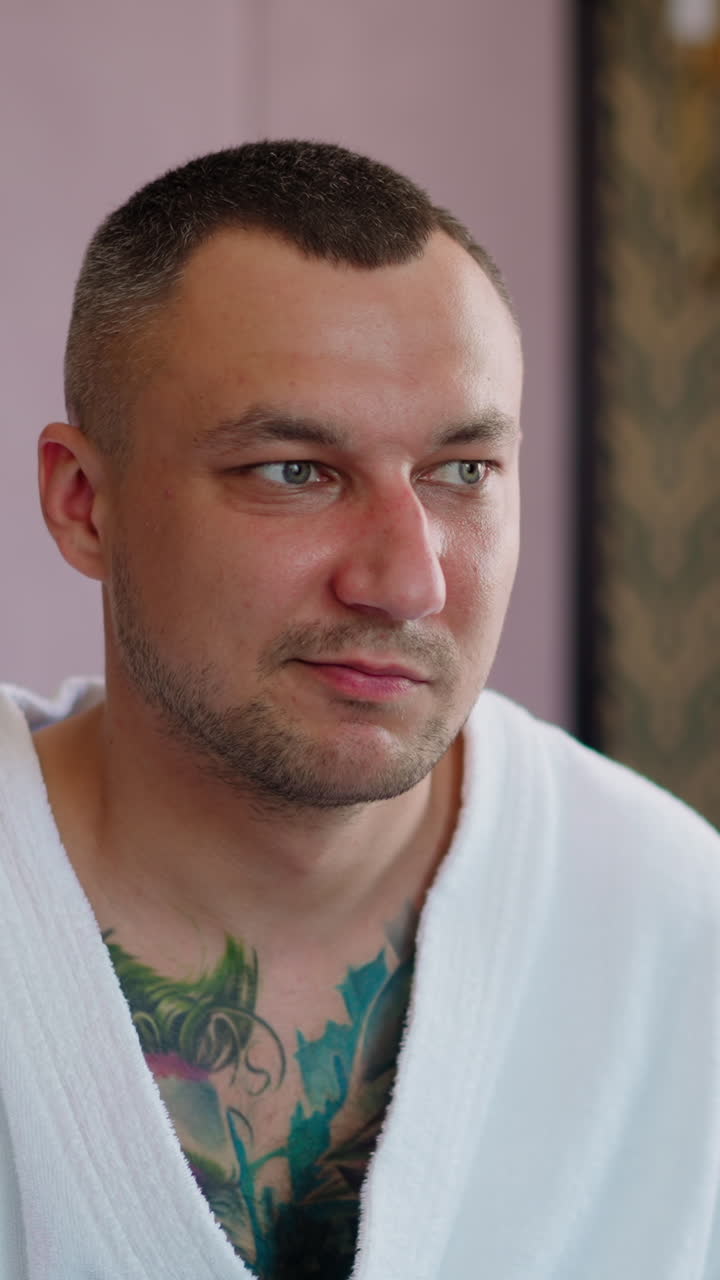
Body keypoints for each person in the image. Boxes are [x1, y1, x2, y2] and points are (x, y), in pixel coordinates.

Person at [0, 140, 718, 1280]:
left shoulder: (676, 934)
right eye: (295, 470)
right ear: (85, 503)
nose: (407, 580)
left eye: (463, 471)